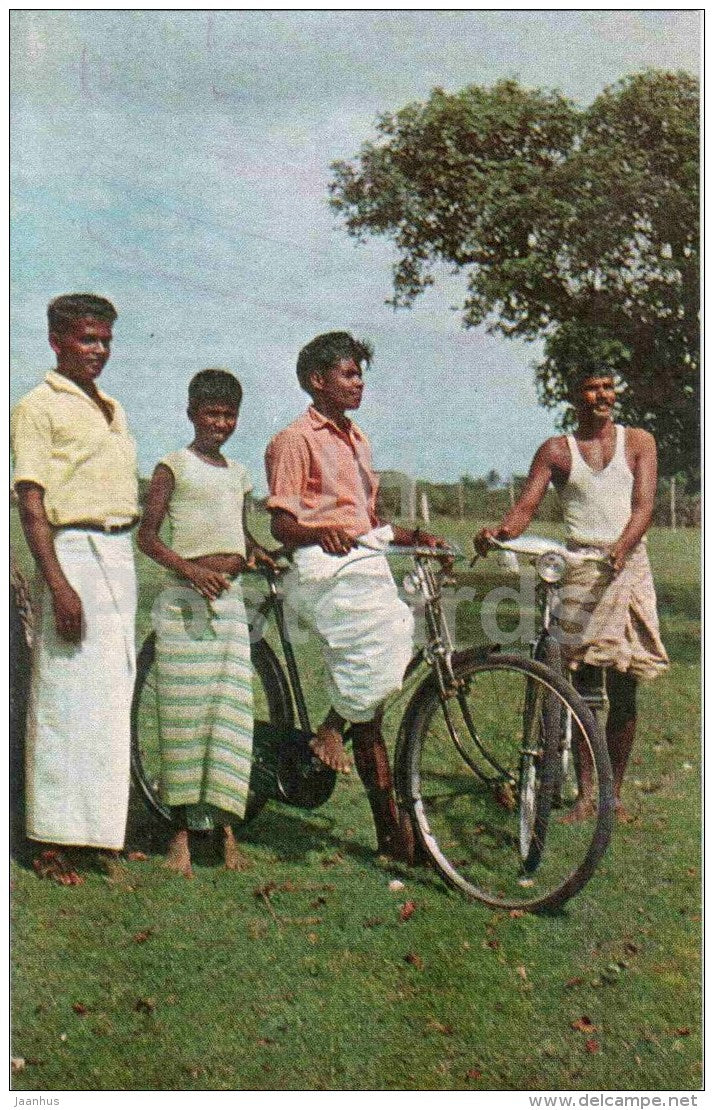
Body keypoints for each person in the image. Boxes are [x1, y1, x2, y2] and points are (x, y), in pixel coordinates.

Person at [264, 331, 446, 863]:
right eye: (348, 374)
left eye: (361, 374)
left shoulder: (356, 438)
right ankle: (384, 819)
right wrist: (319, 532)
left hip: (362, 557)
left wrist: (411, 535)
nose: (358, 383)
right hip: (321, 565)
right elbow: (281, 523)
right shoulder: (293, 440)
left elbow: (366, 519)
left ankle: (338, 740)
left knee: (385, 658)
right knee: (376, 658)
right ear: (317, 380)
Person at [475, 370, 669, 822]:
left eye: (608, 387)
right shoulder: (557, 451)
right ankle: (585, 795)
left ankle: (612, 795)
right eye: (591, 388)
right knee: (580, 686)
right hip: (580, 569)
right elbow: (524, 508)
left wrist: (623, 546)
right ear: (573, 395)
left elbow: (644, 506)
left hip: (628, 567)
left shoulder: (639, 442)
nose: (601, 396)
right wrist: (498, 532)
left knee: (625, 685)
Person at [11, 293, 139, 883]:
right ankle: (51, 841)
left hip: (118, 552)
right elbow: (32, 505)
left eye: (106, 340)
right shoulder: (36, 406)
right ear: (57, 340)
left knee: (109, 698)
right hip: (72, 553)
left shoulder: (111, 405)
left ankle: (98, 834)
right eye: (88, 339)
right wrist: (57, 584)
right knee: (65, 696)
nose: (99, 351)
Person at [138, 369, 276, 879]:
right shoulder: (171, 466)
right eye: (211, 413)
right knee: (185, 719)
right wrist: (193, 573)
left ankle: (225, 831)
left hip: (230, 606)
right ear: (192, 413)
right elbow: (148, 538)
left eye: (229, 415)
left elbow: (240, 534)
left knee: (230, 717)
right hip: (185, 606)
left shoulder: (238, 473)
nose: (221, 424)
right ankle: (180, 838)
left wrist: (261, 555)